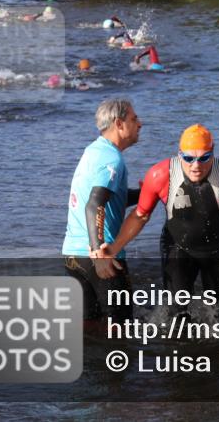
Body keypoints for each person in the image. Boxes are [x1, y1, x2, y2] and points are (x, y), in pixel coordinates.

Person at [95, 124, 219, 297]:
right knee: (177, 313)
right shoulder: (160, 175)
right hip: (177, 248)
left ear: (213, 152)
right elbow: (140, 215)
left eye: (204, 158)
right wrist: (113, 249)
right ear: (179, 154)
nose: (196, 166)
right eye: (188, 158)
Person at [61, 98, 142, 326]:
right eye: (134, 119)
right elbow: (94, 204)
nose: (140, 124)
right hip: (100, 255)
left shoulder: (94, 151)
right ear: (119, 123)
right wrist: (99, 255)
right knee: (121, 328)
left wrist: (145, 195)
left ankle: (90, 363)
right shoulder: (112, 159)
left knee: (90, 329)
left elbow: (108, 198)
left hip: (73, 255)